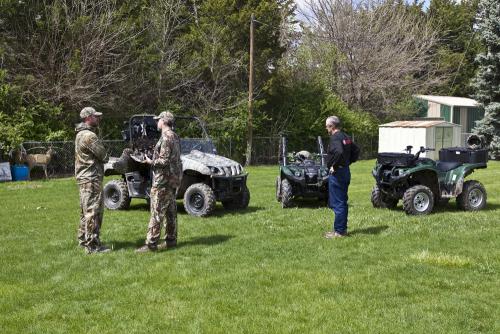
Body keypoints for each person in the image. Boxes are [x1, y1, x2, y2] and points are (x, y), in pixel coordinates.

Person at [137, 111, 182, 252]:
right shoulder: (175, 136)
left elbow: (164, 160)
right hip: (173, 179)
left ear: (163, 121)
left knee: (157, 212)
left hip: (163, 180)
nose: (156, 123)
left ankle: (151, 244)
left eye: (158, 120)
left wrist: (150, 161)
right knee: (170, 212)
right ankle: (171, 240)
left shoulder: (166, 138)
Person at [75, 107, 110, 253]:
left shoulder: (80, 134)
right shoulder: (89, 136)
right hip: (91, 178)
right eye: (96, 116)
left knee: (85, 211)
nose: (98, 119)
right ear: (88, 118)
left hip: (84, 177)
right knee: (93, 212)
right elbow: (104, 156)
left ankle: (83, 239)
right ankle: (93, 246)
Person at [324, 116, 353, 238]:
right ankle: (342, 229)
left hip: (338, 173)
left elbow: (339, 152)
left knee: (338, 203)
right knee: (342, 201)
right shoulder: (345, 136)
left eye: (327, 126)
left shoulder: (335, 138)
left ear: (332, 126)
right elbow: (356, 150)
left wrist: (335, 166)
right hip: (345, 171)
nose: (326, 128)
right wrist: (347, 162)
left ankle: (339, 232)